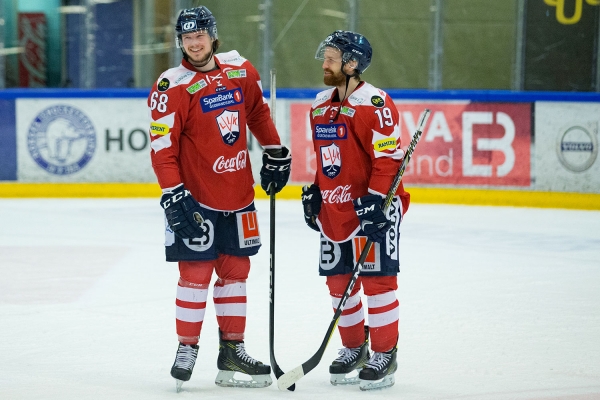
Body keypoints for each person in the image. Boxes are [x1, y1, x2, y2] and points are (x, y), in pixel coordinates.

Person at [147, 6, 291, 392]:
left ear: (213, 35)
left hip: (239, 196)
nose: (193, 44)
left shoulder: (240, 69)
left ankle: (232, 350)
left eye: (200, 36)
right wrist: (172, 194)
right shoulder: (171, 84)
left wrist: (275, 151)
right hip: (194, 199)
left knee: (236, 277)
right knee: (194, 276)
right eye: (186, 38)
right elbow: (162, 148)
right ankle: (186, 348)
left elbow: (258, 113)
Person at [301, 30, 407, 391]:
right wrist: (316, 190)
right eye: (325, 56)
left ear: (352, 63)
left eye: (331, 57)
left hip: (375, 207)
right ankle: (353, 347)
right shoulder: (319, 105)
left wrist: (376, 202)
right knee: (338, 284)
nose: (324, 63)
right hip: (335, 208)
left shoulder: (376, 103)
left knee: (378, 283)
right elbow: (325, 160)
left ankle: (384, 353)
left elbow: (388, 160)